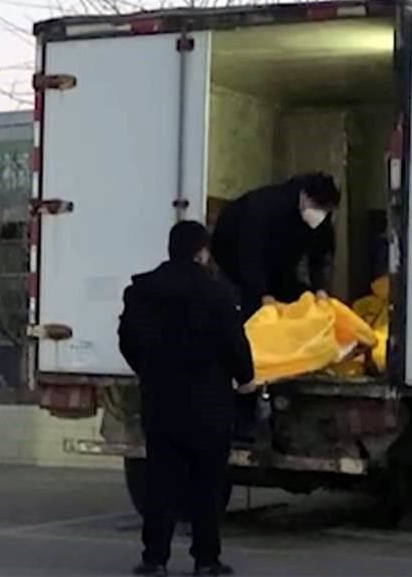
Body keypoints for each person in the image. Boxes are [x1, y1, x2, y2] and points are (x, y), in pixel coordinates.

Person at [119, 220, 256, 577]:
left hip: (161, 400)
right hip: (209, 404)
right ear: (202, 251)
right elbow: (234, 344)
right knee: (208, 484)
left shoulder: (141, 291)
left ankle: (154, 559)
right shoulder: (217, 293)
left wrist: (149, 369)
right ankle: (206, 559)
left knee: (161, 481)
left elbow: (127, 341)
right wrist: (245, 378)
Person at [211, 172, 341, 319]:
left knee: (297, 299)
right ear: (304, 196)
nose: (320, 214)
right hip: (233, 255)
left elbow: (321, 255)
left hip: (278, 264)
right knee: (251, 307)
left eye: (325, 210)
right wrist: (263, 294)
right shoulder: (263, 207)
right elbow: (250, 254)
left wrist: (321, 288)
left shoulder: (322, 218)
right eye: (316, 207)